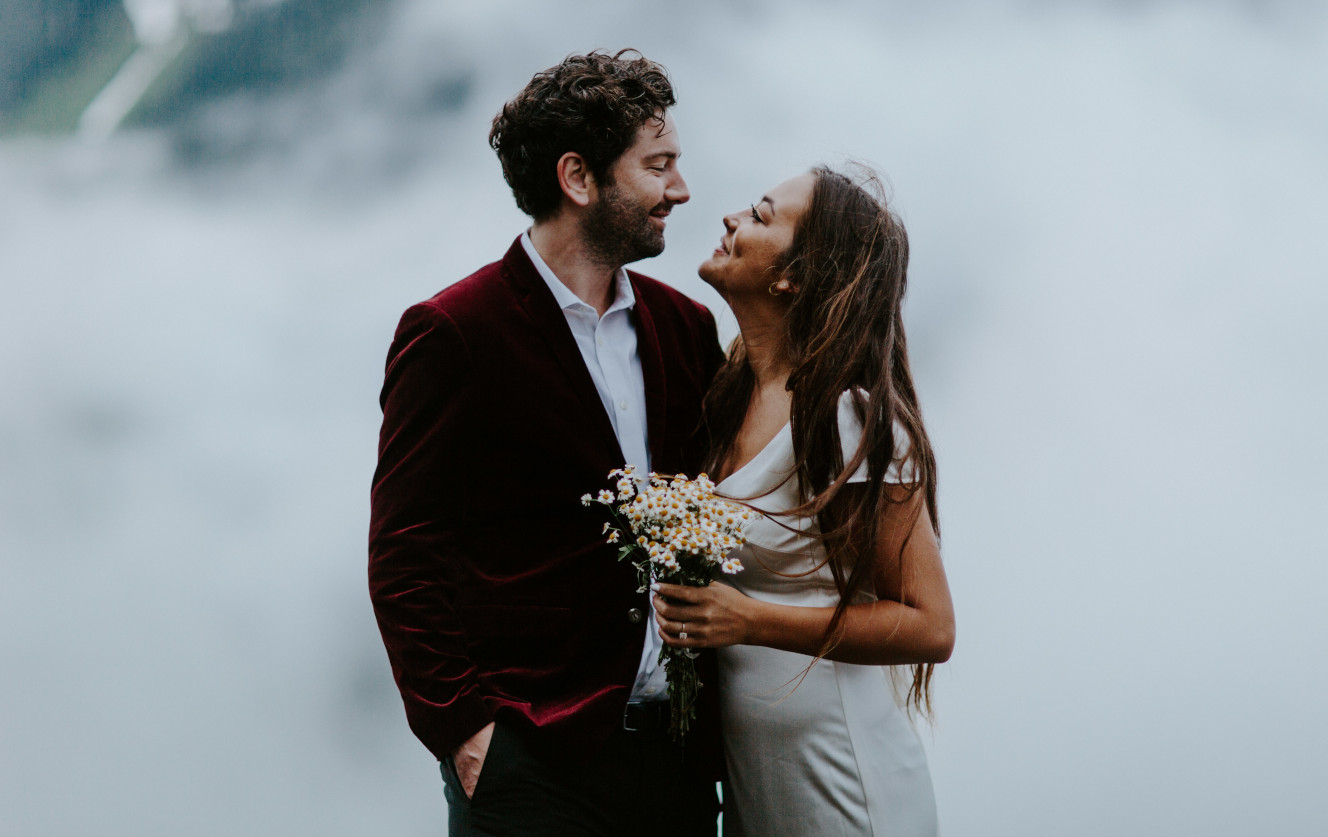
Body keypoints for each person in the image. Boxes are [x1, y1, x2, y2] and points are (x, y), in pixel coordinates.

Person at [368, 50, 726, 837]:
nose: (681, 188)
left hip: (676, 762)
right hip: (530, 766)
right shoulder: (454, 332)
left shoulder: (687, 328)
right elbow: (404, 550)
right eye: (658, 165)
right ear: (578, 177)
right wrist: (464, 728)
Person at [654, 166, 956, 836]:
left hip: (843, 781)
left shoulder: (846, 416)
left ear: (794, 275)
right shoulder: (725, 394)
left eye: (761, 216)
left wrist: (747, 619)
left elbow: (930, 626)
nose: (731, 217)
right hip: (761, 786)